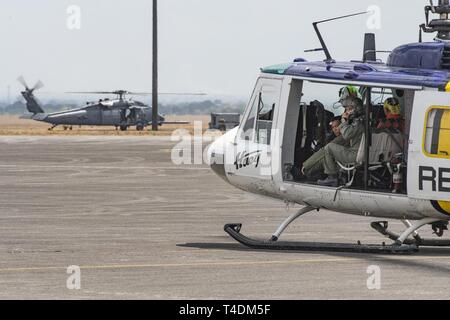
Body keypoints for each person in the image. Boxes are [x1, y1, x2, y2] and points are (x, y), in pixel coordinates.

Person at [317, 87, 365, 187]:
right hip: (363, 154)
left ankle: (332, 177)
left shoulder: (359, 123)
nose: (347, 112)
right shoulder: (365, 120)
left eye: (350, 109)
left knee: (329, 147)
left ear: (356, 109)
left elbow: (347, 135)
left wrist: (343, 121)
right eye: (346, 109)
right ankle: (342, 175)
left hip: (355, 155)